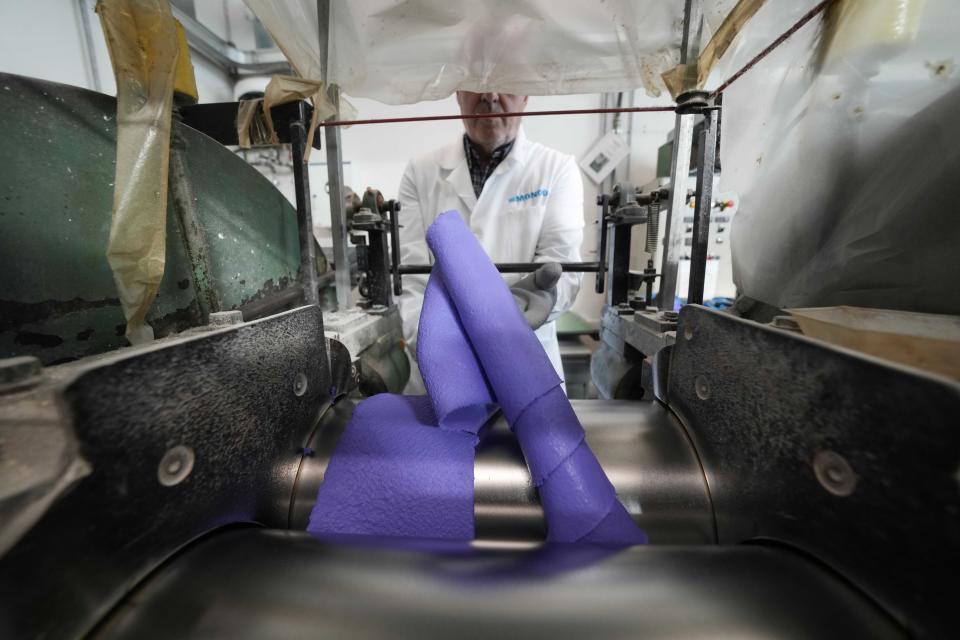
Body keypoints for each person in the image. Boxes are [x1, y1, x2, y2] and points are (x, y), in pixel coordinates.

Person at [397, 91, 584, 392]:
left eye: (505, 81)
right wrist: (440, 350)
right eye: (476, 81)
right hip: (441, 373)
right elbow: (412, 280)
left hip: (526, 367)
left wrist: (546, 297)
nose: (490, 95)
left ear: (525, 94)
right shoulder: (420, 173)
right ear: (458, 94)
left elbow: (562, 264)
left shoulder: (557, 168)